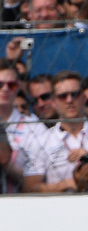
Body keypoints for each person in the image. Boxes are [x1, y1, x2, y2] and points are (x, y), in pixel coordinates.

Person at [22, 70, 88, 193]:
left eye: (75, 94)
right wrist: (68, 184)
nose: (69, 100)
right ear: (53, 102)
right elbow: (30, 188)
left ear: (84, 97)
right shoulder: (40, 141)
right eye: (63, 96)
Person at [0, 58, 46, 193]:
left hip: (21, 202)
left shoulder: (34, 126)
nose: (5, 89)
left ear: (19, 86)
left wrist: (7, 164)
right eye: (0, 84)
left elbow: (41, 180)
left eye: (11, 85)